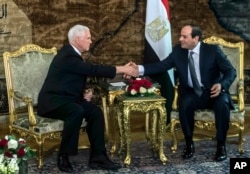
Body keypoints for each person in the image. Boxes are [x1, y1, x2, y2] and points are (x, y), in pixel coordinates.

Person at [37, 24, 137, 172]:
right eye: (88, 38)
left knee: (95, 112)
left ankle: (98, 156)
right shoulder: (68, 55)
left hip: (68, 99)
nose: (91, 41)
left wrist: (84, 92)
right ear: (78, 39)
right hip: (52, 101)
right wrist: (123, 69)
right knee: (76, 111)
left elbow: (69, 79)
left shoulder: (72, 54)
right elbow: (91, 69)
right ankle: (63, 156)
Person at [129, 24, 236, 162]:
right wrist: (138, 69)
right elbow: (161, 66)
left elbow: (231, 71)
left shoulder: (212, 50)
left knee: (222, 104)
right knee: (185, 104)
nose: (180, 39)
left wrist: (221, 85)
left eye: (184, 36)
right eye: (180, 36)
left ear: (196, 38)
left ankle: (221, 145)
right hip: (193, 93)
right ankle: (189, 144)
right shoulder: (178, 52)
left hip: (213, 92)